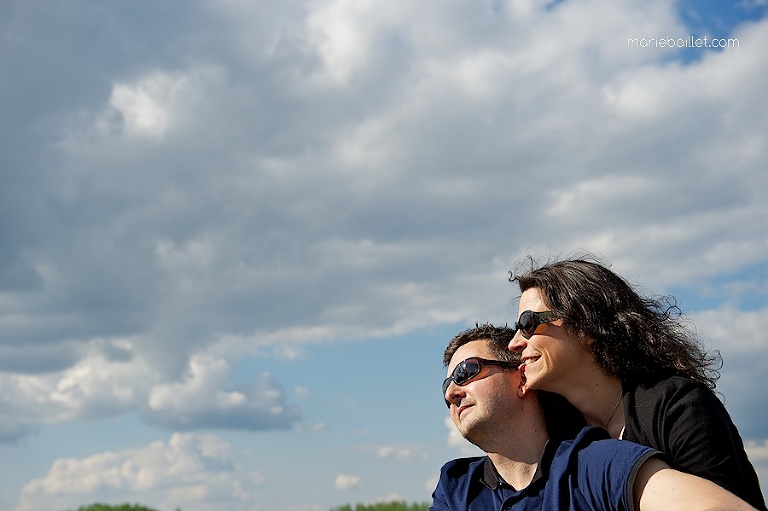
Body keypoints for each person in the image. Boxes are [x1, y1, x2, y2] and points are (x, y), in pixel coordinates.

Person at [507, 256, 766, 510]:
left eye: (528, 324)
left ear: (583, 326)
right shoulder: (557, 435)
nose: (514, 343)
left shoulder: (676, 406)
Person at [431, 324, 758, 511]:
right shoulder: (457, 488)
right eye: (447, 384)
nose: (451, 392)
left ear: (521, 377)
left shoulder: (595, 465)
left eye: (466, 372)